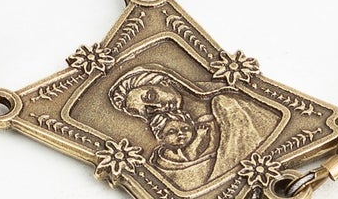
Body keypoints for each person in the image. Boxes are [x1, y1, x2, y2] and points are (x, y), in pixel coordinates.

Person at [108, 67, 274, 190]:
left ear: (164, 82)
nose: (157, 107)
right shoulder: (165, 154)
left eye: (151, 96)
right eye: (147, 110)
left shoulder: (225, 103)